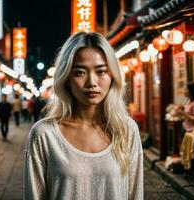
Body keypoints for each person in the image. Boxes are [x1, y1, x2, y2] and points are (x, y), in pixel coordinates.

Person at [24, 32, 143, 199]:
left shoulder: (126, 130)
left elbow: (135, 194)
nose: (92, 83)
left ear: (112, 76)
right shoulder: (44, 134)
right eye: (80, 72)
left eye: (101, 71)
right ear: (66, 78)